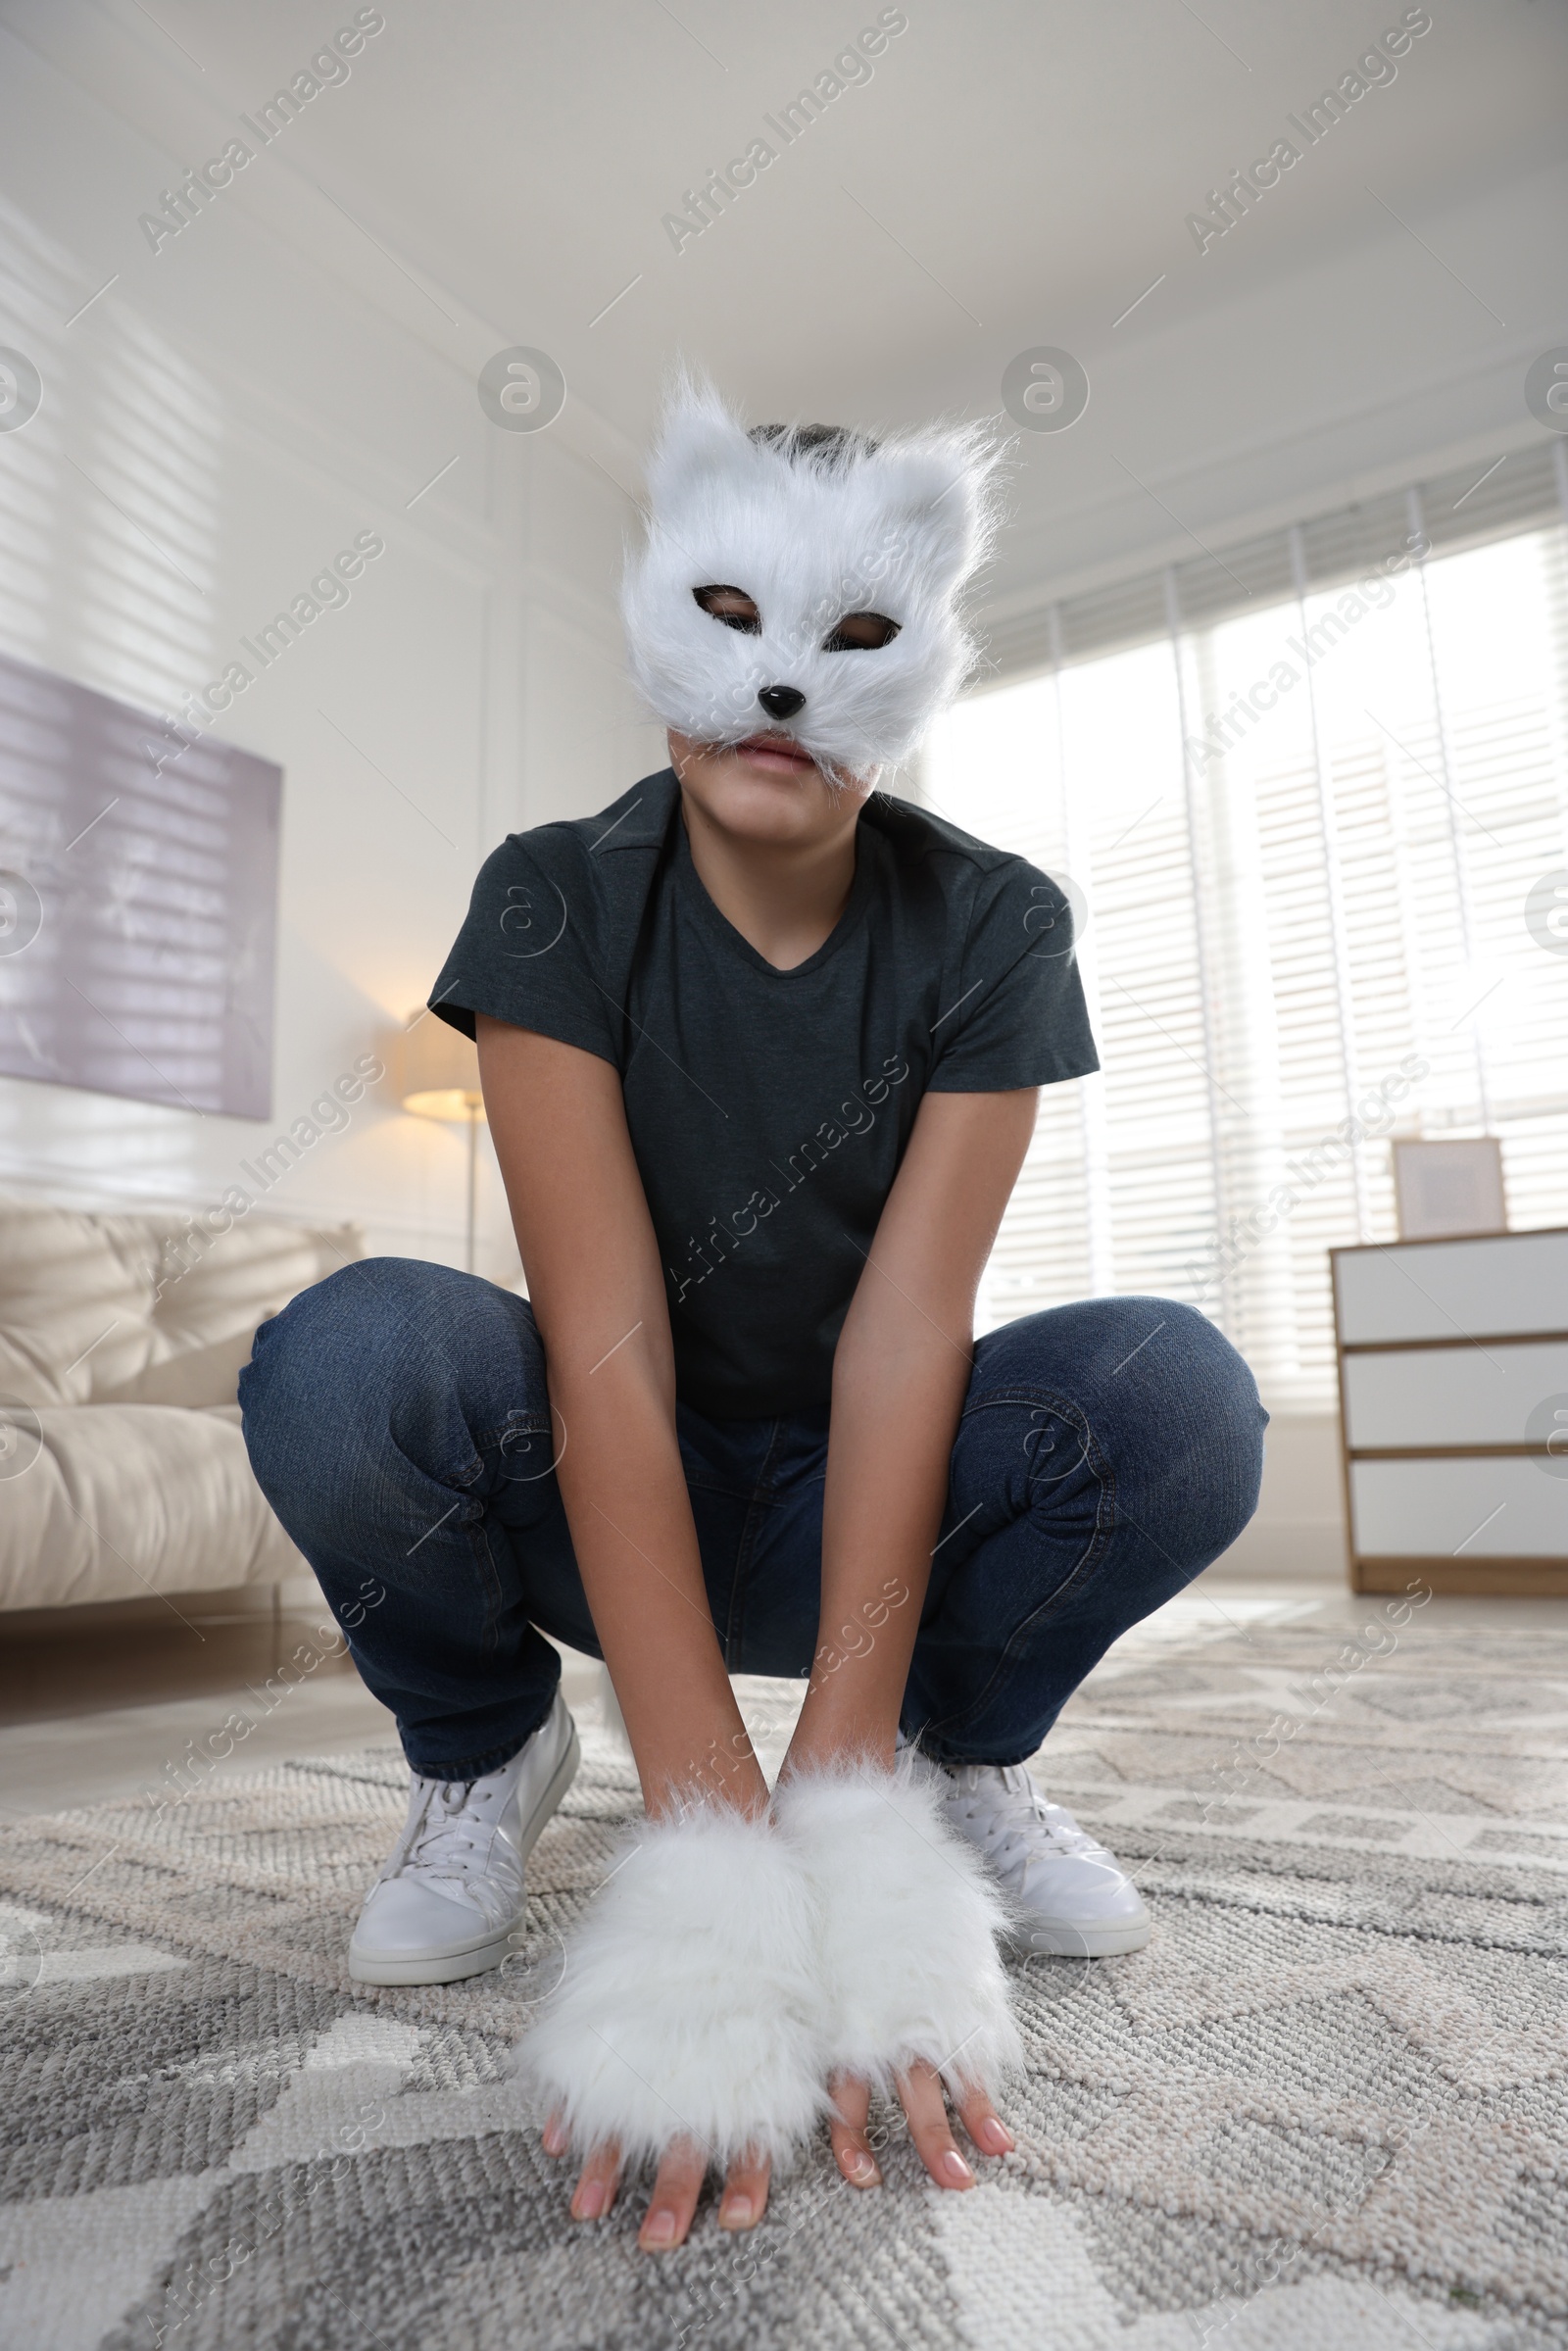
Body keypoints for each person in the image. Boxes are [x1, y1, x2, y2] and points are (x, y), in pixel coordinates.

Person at [240, 382, 1265, 2254]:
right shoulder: (555, 894)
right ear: (659, 611)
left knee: (1174, 1393)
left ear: (922, 650)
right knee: (347, 1351)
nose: (782, 682)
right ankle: (483, 1749)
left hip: (860, 1505)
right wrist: (712, 1842)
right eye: (730, 618)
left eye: (852, 636)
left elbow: (908, 1337)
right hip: (609, 1479)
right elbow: (603, 1343)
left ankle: (960, 1756)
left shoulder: (998, 925)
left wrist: (841, 1807)